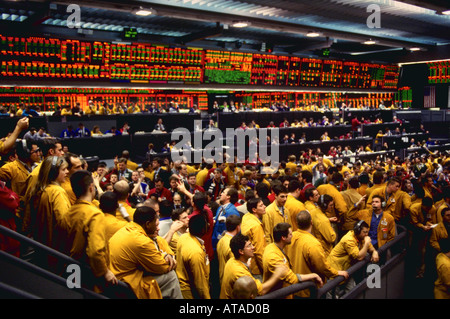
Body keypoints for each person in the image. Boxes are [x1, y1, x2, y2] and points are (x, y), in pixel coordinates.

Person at [109, 205, 181, 299]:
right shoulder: (141, 241)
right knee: (171, 276)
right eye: (155, 225)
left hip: (114, 276)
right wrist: (168, 259)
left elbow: (161, 247)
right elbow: (162, 267)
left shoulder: (129, 227)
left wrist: (166, 255)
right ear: (147, 224)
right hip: (122, 284)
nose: (157, 228)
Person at [63, 170, 118, 292]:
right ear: (91, 188)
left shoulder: (68, 212)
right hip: (90, 273)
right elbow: (95, 251)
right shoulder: (95, 214)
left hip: (71, 268)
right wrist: (105, 272)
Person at [285, 210, 348, 298]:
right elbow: (322, 266)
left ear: (297, 223)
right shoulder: (313, 243)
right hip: (310, 289)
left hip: (293, 286)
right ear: (311, 222)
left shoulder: (291, 237)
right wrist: (336, 273)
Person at [263, 222, 323, 298]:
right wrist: (313, 275)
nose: (292, 236)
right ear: (283, 238)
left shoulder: (273, 247)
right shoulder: (273, 256)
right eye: (290, 234)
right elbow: (293, 279)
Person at [220, 232, 288, 299]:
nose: (253, 247)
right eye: (249, 245)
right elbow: (260, 291)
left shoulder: (232, 261)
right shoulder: (239, 272)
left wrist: (247, 266)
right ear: (241, 251)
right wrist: (277, 275)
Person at [28, 156, 71, 255]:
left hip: (44, 248)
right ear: (53, 172)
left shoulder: (40, 190)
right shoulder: (57, 192)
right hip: (57, 250)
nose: (67, 172)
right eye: (63, 169)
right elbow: (65, 224)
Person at [327, 220, 379, 298]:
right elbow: (359, 257)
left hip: (347, 271)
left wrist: (375, 252)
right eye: (364, 232)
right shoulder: (348, 239)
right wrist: (366, 243)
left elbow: (370, 248)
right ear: (357, 231)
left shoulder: (361, 238)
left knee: (353, 291)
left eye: (367, 232)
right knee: (333, 295)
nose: (366, 234)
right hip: (335, 271)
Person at [176, 213, 211, 299]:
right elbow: (200, 284)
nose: (209, 224)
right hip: (191, 292)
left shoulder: (184, 237)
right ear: (203, 230)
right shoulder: (195, 252)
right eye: (207, 223)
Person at [216, 215, 241, 285]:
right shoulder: (232, 245)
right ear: (237, 227)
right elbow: (235, 265)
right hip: (230, 280)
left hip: (222, 276)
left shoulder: (222, 240)